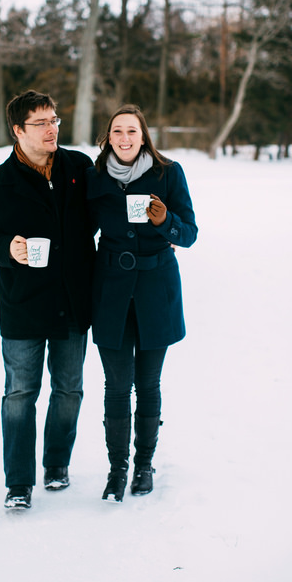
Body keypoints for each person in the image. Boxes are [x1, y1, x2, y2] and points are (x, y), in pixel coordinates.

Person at [0, 91, 97, 510]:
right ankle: (19, 483)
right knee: (21, 394)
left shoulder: (78, 168)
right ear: (18, 131)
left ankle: (57, 465)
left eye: (55, 119)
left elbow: (108, 212)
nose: (52, 129)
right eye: (41, 123)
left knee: (69, 390)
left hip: (73, 302)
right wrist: (9, 248)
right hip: (23, 304)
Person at [86, 104, 197, 503]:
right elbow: (81, 231)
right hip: (110, 291)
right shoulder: (95, 178)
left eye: (132, 131)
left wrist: (165, 221)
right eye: (118, 131)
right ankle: (117, 470)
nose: (125, 138)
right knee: (116, 386)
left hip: (156, 291)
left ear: (143, 135)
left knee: (147, 384)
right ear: (109, 136)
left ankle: (144, 465)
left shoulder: (169, 173)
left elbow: (189, 234)